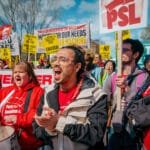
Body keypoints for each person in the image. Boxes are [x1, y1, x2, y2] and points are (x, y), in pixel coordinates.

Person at [33, 45, 108, 150]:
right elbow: (36, 129)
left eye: (63, 59)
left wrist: (59, 123)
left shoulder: (96, 95)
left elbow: (95, 134)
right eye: (55, 59)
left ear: (77, 67)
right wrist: (49, 128)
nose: (56, 63)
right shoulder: (47, 92)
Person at [103, 39, 149, 150]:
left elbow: (146, 104)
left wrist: (127, 90)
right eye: (119, 50)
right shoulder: (112, 77)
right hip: (114, 128)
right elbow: (104, 102)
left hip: (135, 130)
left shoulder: (145, 77)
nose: (120, 53)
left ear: (136, 54)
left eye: (125, 50)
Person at [0, 61, 44, 150]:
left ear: (30, 76)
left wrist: (18, 119)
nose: (17, 74)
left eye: (21, 72)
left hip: (28, 144)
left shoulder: (38, 91)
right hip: (5, 142)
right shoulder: (5, 91)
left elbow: (39, 112)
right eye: (15, 72)